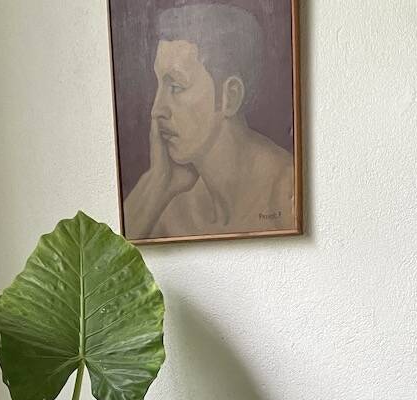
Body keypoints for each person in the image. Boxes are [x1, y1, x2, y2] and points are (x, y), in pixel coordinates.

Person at [124, 3, 295, 240]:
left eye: (176, 86)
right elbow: (108, 265)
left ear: (230, 96)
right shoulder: (170, 203)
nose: (157, 110)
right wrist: (156, 183)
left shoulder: (289, 195)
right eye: (159, 85)